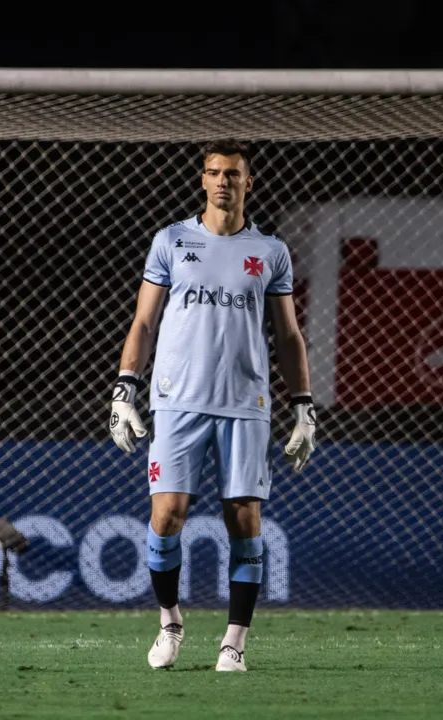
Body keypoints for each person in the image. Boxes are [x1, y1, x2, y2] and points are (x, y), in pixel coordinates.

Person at [109, 139, 317, 672]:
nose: (223, 180)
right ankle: (170, 623)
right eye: (213, 172)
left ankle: (234, 643)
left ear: (250, 182)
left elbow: (289, 335)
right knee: (167, 515)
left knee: (244, 520)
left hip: (246, 404)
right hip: (177, 401)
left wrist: (303, 407)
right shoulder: (171, 241)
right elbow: (144, 322)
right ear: (202, 180)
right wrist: (123, 389)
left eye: (233, 173)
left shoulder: (271, 252)